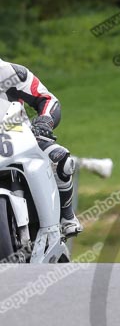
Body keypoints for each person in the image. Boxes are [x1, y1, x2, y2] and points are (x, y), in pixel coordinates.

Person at [0, 59, 82, 237]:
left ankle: (67, 217)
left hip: (18, 138)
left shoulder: (10, 72)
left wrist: (45, 120)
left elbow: (47, 99)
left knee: (62, 160)